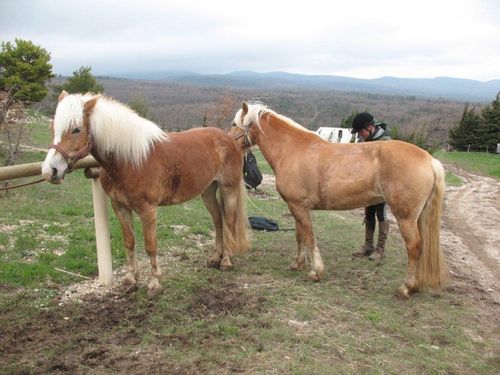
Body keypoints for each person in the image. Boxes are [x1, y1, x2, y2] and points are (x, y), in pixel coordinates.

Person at [350, 112, 392, 261]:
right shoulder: (365, 139)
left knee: (381, 214)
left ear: (370, 127)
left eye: (361, 131)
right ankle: (368, 245)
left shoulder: (385, 142)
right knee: (368, 214)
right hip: (367, 184)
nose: (360, 135)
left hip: (380, 186)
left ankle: (380, 249)